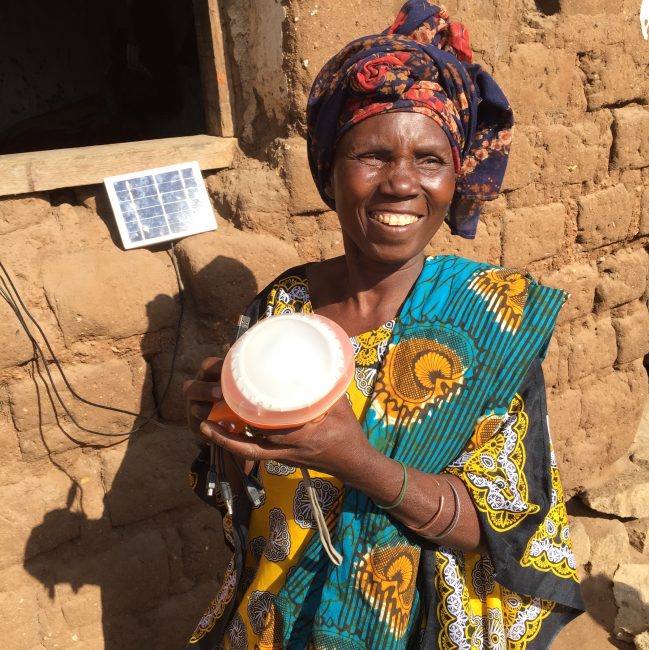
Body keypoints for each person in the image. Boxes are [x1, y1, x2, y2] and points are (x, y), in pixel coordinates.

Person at [183, 2, 584, 648]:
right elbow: (249, 502)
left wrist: (359, 463)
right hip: (279, 622)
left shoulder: (487, 320)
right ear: (329, 172)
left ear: (456, 177)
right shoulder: (281, 311)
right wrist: (224, 430)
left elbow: (497, 525)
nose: (402, 182)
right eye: (372, 154)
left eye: (430, 160)